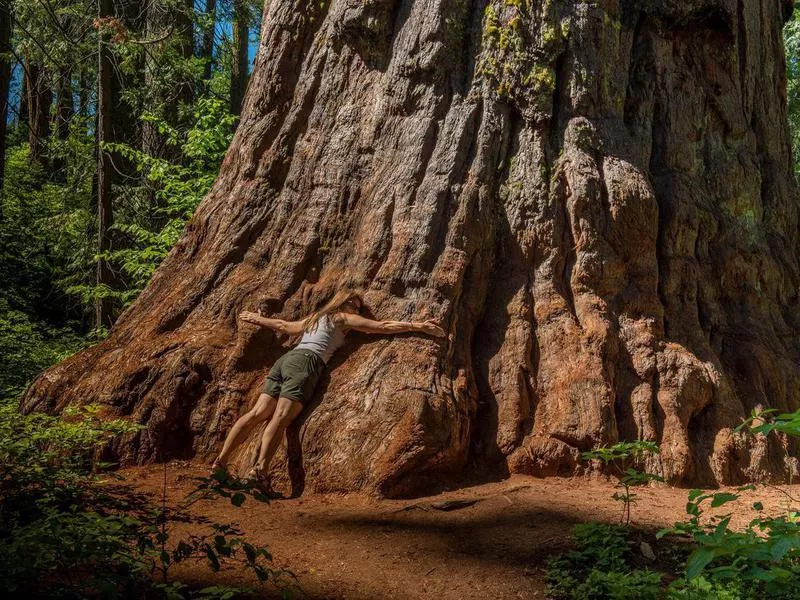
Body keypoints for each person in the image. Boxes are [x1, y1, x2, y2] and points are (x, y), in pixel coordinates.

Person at [211, 288, 446, 491]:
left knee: (257, 414)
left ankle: (220, 463)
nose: (357, 309)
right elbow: (381, 326)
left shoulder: (316, 318)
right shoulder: (342, 318)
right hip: (306, 363)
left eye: (359, 306)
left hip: (286, 360)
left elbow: (284, 326)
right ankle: (259, 471)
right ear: (342, 302)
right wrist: (419, 326)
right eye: (353, 304)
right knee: (281, 418)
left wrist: (255, 318)